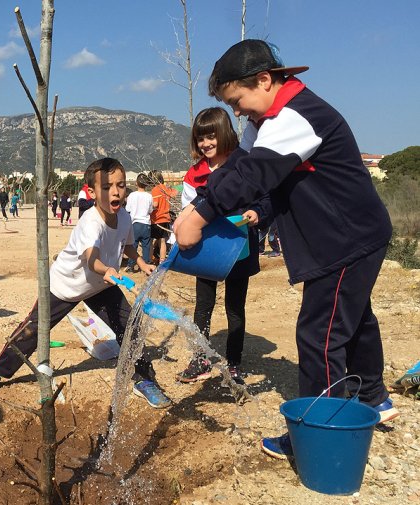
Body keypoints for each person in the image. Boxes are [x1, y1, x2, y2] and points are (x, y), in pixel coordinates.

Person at [173, 39, 398, 460]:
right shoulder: (267, 119)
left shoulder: (296, 115)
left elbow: (256, 174)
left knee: (319, 333)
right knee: (353, 318)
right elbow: (241, 166)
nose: (236, 111)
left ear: (264, 80)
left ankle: (318, 436)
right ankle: (373, 397)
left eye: (237, 101)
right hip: (346, 236)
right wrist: (199, 205)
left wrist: (201, 216)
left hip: (345, 240)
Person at [0, 158, 173, 409]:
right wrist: (107, 269)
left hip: (102, 285)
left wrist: (142, 263)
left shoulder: (124, 217)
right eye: (107, 186)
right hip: (65, 286)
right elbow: (91, 258)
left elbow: (128, 245)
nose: (115, 191)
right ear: (91, 192)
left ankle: (143, 380)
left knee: (129, 326)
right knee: (33, 329)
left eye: (121, 185)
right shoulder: (90, 221)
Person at [175, 107, 270, 386]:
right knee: (203, 305)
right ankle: (201, 358)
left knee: (235, 308)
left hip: (238, 249)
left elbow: (264, 197)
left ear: (225, 133)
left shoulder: (244, 163)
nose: (206, 144)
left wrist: (257, 213)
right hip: (208, 250)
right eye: (200, 138)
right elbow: (195, 202)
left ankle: (234, 363)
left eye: (211, 137)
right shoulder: (200, 172)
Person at [124, 174, 153, 269]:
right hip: (146, 223)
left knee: (133, 245)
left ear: (136, 183)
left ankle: (131, 265)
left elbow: (128, 208)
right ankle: (146, 264)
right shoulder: (149, 196)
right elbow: (150, 210)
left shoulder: (132, 195)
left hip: (135, 223)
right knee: (146, 246)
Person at [149, 170, 175, 264]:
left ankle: (150, 259)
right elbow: (174, 193)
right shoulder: (166, 188)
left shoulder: (155, 189)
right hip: (166, 217)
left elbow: (155, 204)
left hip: (156, 219)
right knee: (163, 241)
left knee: (151, 241)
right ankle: (162, 261)